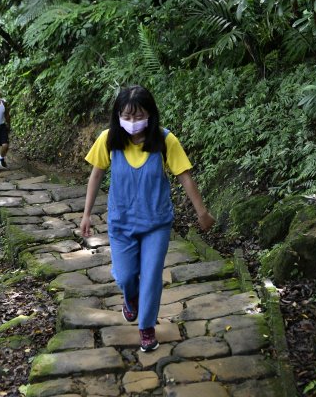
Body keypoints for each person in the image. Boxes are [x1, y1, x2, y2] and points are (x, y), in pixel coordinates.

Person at [80, 85, 215, 352]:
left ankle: (147, 327)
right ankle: (130, 298)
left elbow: (184, 176)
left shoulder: (165, 141)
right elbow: (95, 175)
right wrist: (86, 215)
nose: (133, 123)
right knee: (126, 276)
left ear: (150, 115)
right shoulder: (108, 140)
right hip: (121, 223)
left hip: (157, 223)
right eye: (127, 116)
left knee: (152, 275)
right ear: (118, 116)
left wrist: (202, 212)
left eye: (138, 116)